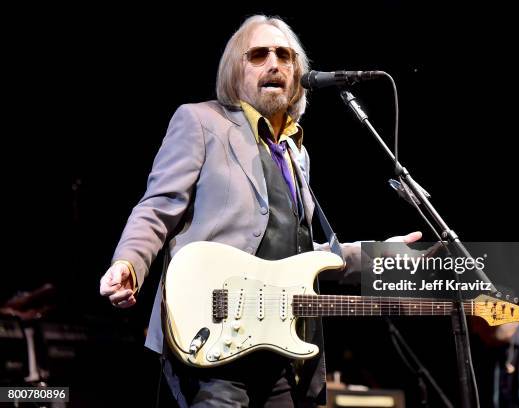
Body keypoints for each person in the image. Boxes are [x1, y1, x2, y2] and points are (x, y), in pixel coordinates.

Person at [99, 15, 421, 408]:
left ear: (297, 74)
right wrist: (129, 263)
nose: (274, 63)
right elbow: (157, 207)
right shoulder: (202, 122)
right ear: (236, 69)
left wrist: (376, 257)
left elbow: (298, 258)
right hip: (212, 338)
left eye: (285, 55)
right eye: (259, 54)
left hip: (278, 345)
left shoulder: (295, 152)